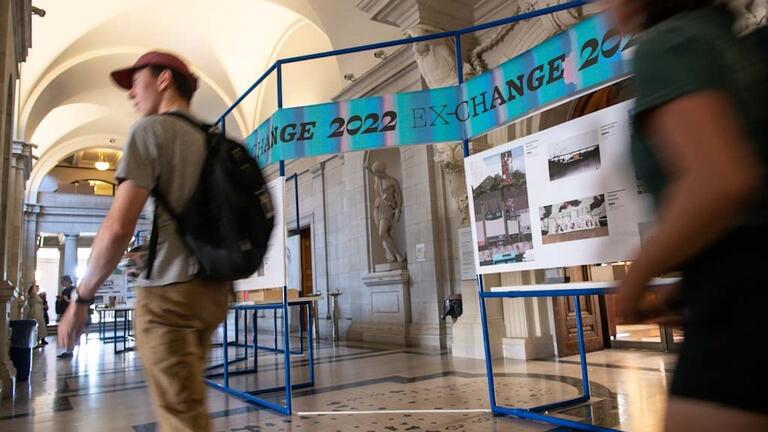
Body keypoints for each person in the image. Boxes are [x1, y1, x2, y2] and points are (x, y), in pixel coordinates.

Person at [609, 1, 768, 431]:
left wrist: (635, 279)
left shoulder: (666, 43)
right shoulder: (721, 38)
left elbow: (718, 181)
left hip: (740, 307)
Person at [57, 51, 230, 432]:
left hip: (168, 294)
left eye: (136, 82)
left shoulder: (149, 131)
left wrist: (81, 299)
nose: (132, 94)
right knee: (189, 407)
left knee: (181, 419)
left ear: (164, 79)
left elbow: (118, 227)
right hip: (212, 292)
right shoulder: (213, 137)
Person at [57, 276, 76, 358]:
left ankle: (70, 350)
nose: (62, 283)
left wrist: (67, 299)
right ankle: (68, 350)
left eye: (63, 281)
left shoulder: (73, 289)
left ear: (67, 281)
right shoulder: (64, 291)